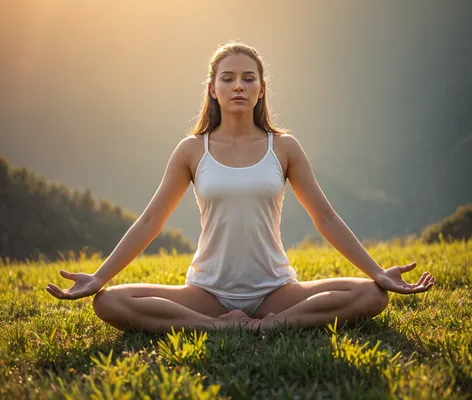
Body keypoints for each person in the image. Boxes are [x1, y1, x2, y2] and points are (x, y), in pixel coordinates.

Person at [46, 41, 435, 334]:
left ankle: (270, 325)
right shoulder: (191, 150)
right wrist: (99, 278)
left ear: (261, 89)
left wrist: (378, 272)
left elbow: (327, 218)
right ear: (212, 89)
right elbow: (150, 221)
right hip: (207, 292)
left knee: (372, 295)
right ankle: (219, 326)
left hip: (276, 289)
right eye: (227, 78)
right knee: (110, 302)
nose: (238, 86)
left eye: (248, 78)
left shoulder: (283, 147)